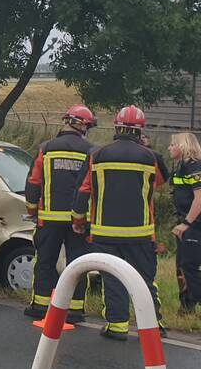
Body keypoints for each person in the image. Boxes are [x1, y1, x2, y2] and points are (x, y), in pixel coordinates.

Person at [72, 105, 169, 340]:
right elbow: (160, 181)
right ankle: (154, 325)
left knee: (112, 278)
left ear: (116, 126)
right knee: (145, 278)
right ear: (140, 130)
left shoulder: (98, 153)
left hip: (106, 232)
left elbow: (84, 189)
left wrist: (78, 218)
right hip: (140, 233)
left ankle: (117, 326)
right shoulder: (151, 157)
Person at [22, 105, 96, 322]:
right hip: (79, 219)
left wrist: (33, 211)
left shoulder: (46, 147)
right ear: (83, 126)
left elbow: (34, 182)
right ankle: (74, 310)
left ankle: (40, 306)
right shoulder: (92, 151)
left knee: (45, 260)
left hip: (49, 218)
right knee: (78, 263)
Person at [169, 133, 201, 312]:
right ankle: (187, 307)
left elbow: (199, 197)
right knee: (183, 266)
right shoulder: (180, 167)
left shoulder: (194, 165)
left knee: (190, 266)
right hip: (184, 222)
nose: (169, 148)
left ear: (182, 146)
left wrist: (187, 223)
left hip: (194, 225)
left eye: (173, 144)